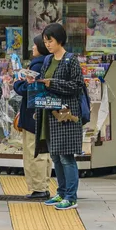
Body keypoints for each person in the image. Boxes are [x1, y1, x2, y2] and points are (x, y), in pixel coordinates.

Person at [32, 23, 84, 211]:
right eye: (45, 41)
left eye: (50, 40)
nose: (47, 44)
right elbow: (45, 85)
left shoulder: (71, 60)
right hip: (49, 113)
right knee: (55, 155)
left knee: (66, 157)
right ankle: (61, 192)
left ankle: (71, 196)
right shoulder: (47, 60)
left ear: (60, 40)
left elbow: (77, 86)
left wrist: (51, 83)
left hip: (66, 115)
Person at [12, 36, 52, 200]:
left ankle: (38, 188)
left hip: (32, 114)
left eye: (35, 45)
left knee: (32, 151)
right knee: (43, 151)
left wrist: (17, 82)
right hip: (43, 111)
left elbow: (27, 89)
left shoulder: (37, 65)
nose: (33, 48)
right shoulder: (50, 62)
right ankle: (44, 185)